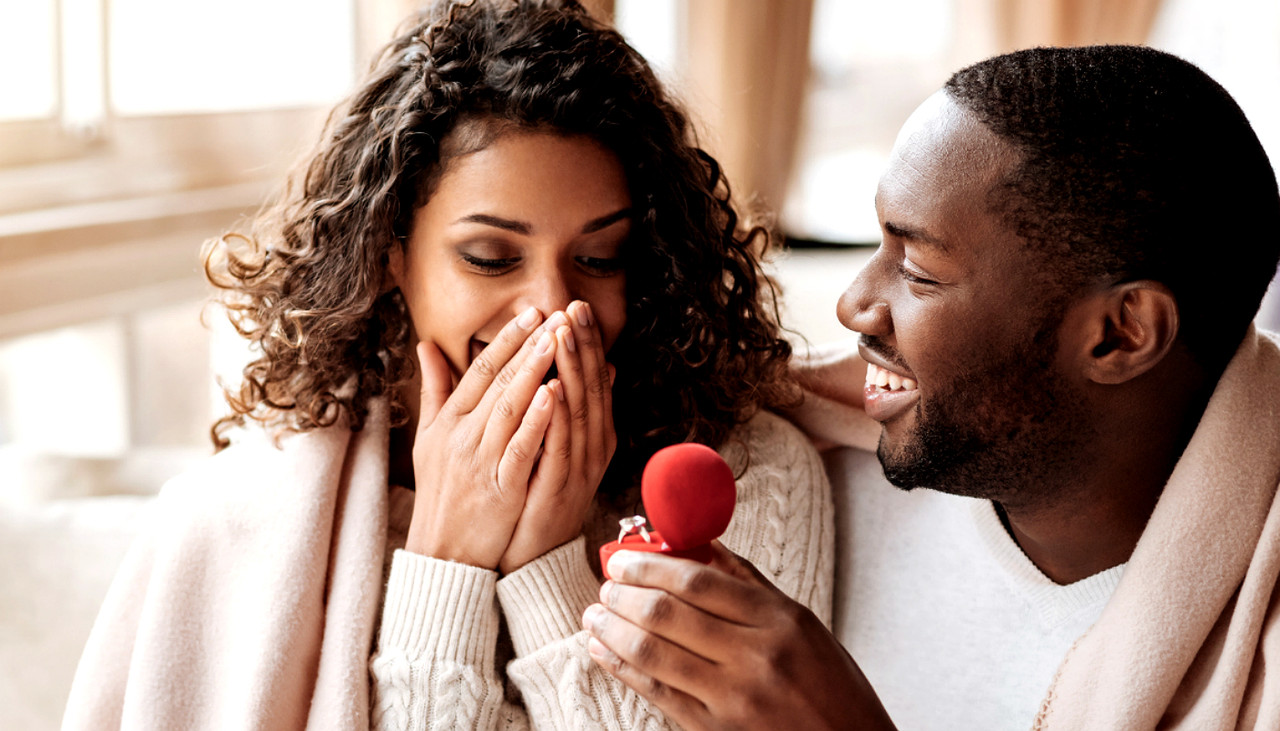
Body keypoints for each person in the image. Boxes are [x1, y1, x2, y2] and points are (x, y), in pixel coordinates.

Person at [61, 1, 834, 728]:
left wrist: (548, 562)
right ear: (392, 254)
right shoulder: (242, 523)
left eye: (599, 257)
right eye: (491, 257)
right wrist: (445, 561)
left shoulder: (746, 477)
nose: (553, 308)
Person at [583, 45, 1280, 730]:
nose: (854, 304)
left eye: (917, 270)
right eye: (878, 243)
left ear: (1120, 334)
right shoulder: (792, 473)